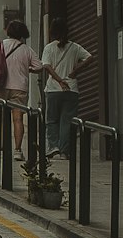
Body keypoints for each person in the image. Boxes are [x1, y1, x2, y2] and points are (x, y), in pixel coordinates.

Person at [0, 19, 46, 161]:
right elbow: (39, 67)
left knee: (2, 118)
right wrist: (27, 68)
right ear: (23, 34)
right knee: (18, 119)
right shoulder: (26, 49)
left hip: (0, 86)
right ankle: (17, 150)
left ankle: (1, 146)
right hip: (19, 87)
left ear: (8, 31)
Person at [40, 17, 93, 159]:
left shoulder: (49, 48)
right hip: (72, 90)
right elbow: (89, 57)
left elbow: (46, 67)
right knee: (67, 122)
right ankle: (64, 152)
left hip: (53, 89)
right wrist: (76, 71)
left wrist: (59, 80)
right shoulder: (75, 47)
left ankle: (53, 148)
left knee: (51, 120)